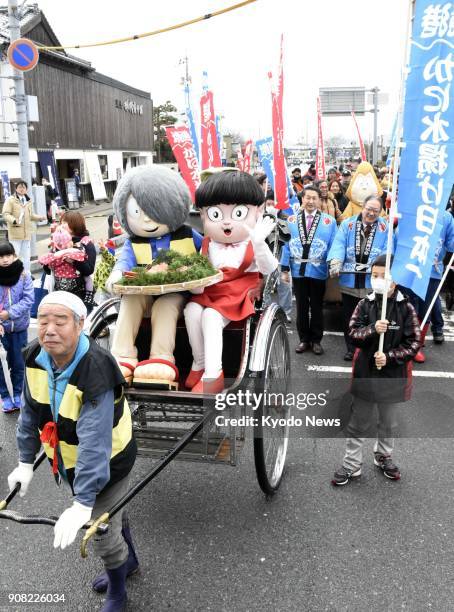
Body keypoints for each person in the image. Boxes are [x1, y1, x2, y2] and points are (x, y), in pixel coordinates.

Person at [7, 291, 138, 611]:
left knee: (101, 533)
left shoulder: (96, 366)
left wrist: (82, 502)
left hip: (109, 460)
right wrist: (24, 462)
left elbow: (95, 441)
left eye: (60, 321)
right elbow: (28, 414)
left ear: (80, 324)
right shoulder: (35, 355)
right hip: (68, 460)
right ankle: (129, 559)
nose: (49, 329)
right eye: (44, 320)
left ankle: (118, 591)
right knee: (110, 515)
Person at [184, 169, 278, 393]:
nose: (226, 223)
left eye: (237, 214)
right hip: (211, 290)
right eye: (216, 214)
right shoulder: (208, 243)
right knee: (191, 310)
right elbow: (200, 271)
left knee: (210, 316)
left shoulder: (251, 243)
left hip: (238, 293)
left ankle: (213, 374)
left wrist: (259, 243)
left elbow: (269, 269)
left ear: (258, 211)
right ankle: (199, 362)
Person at [332, 255, 420, 486]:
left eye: (384, 276)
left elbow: (414, 343)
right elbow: (352, 333)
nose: (378, 280)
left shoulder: (406, 308)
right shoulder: (365, 304)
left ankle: (383, 456)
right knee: (358, 422)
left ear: (396, 280)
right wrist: (372, 329)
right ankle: (352, 464)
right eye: (374, 276)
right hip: (366, 374)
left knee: (388, 422)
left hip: (393, 378)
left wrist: (389, 356)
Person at [328, 195, 389, 361]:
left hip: (372, 282)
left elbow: (388, 250)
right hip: (349, 280)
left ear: (380, 211)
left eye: (375, 211)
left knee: (371, 317)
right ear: (363, 206)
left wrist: (380, 268)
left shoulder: (385, 228)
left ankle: (368, 348)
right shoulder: (347, 224)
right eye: (368, 209)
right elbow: (339, 244)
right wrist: (336, 261)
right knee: (349, 317)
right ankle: (351, 348)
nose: (371, 213)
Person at [280, 186, 337, 355]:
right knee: (302, 307)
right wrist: (284, 269)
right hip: (298, 270)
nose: (311, 201)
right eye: (307, 198)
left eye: (314, 198)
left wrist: (333, 264)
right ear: (302, 200)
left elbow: (334, 245)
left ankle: (316, 340)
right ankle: (304, 339)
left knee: (317, 307)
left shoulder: (329, 221)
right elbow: (286, 246)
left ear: (319, 200)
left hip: (319, 269)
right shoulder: (291, 220)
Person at [401, 209, 454, 362]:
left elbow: (451, 245)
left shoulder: (446, 217)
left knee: (426, 309)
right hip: (410, 269)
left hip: (433, 271)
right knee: (408, 307)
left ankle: (417, 346)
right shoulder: (414, 208)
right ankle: (406, 342)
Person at [0, 241, 34, 412]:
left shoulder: (24, 275)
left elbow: (29, 300)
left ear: (14, 256)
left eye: (8, 255)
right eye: (1, 256)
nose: (5, 259)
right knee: (1, 364)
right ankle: (5, 396)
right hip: (1, 329)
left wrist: (9, 313)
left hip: (19, 328)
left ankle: (18, 393)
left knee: (18, 363)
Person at [2, 179, 46, 273]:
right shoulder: (10, 200)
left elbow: (31, 215)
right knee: (15, 255)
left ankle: (27, 274)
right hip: (15, 233)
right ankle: (15, 274)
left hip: (27, 234)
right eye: (20, 187)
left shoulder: (28, 201)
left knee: (27, 256)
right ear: (16, 189)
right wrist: (14, 221)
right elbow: (5, 214)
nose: (22, 189)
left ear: (26, 189)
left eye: (24, 187)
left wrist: (40, 218)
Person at [57, 211, 97, 309]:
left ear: (75, 224)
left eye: (64, 223)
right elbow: (50, 267)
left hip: (80, 293)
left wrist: (74, 261)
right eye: (61, 223)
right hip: (60, 293)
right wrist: (48, 265)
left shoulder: (86, 243)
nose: (61, 226)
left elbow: (89, 269)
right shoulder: (59, 242)